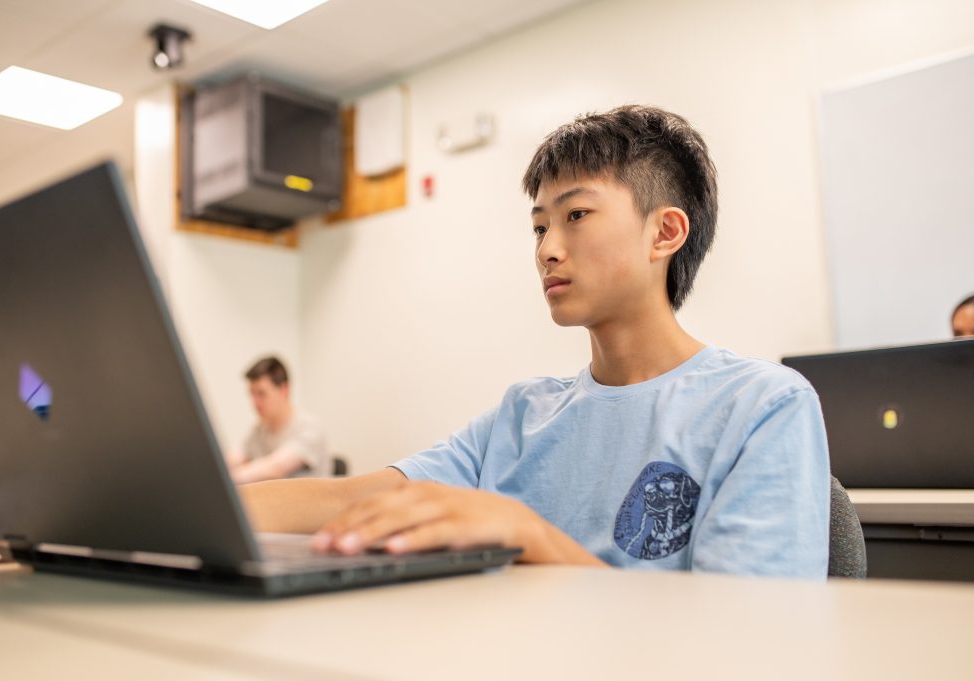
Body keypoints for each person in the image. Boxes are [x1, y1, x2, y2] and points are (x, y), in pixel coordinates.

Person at [241, 105, 831, 579]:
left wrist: (531, 536)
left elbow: (747, 636)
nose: (547, 249)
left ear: (665, 232)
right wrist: (203, 505)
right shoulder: (522, 415)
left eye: (576, 216)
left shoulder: (761, 406)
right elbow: (351, 502)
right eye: (539, 226)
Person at [226, 356, 330, 484]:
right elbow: (235, 458)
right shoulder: (259, 429)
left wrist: (226, 478)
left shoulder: (310, 427)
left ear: (283, 390)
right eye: (252, 394)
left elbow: (275, 468)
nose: (255, 403)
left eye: (261, 394)